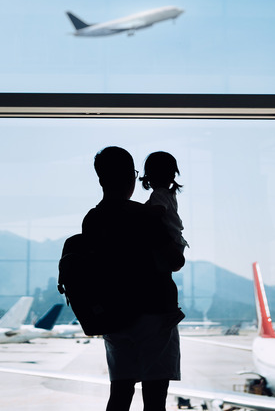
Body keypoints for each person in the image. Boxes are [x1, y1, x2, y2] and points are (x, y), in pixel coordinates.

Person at [82, 146, 184, 411]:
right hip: (154, 314)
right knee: (154, 397)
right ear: (131, 176)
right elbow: (176, 261)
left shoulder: (92, 220)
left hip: (113, 316)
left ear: (101, 178)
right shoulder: (145, 216)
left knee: (120, 393)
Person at [139, 151, 189, 259]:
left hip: (170, 240)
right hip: (177, 240)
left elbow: (158, 211)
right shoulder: (170, 194)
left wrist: (139, 209)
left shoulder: (158, 194)